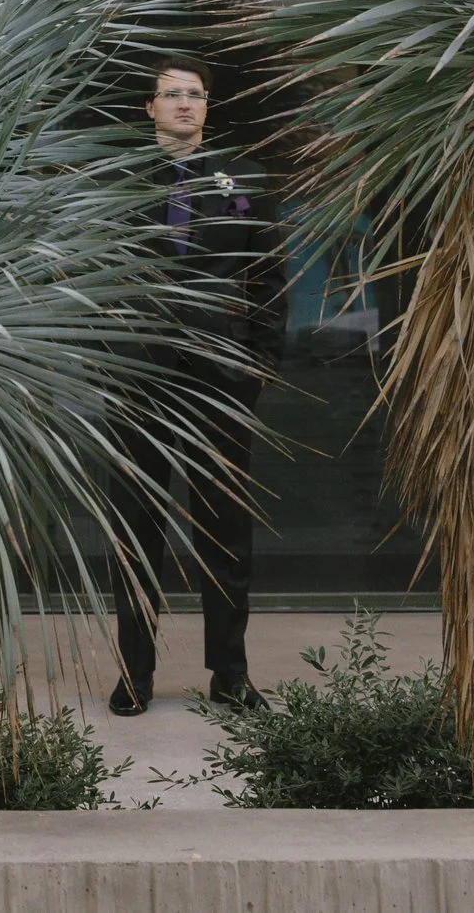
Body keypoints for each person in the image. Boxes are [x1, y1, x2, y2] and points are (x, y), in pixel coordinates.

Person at [109, 55, 282, 717]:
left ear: (207, 107)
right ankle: (134, 674)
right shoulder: (115, 183)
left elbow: (270, 280)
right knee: (134, 530)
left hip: (218, 385)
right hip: (138, 381)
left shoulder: (242, 179)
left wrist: (257, 366)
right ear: (149, 108)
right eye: (171, 94)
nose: (184, 103)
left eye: (195, 94)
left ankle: (231, 675)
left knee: (225, 533)